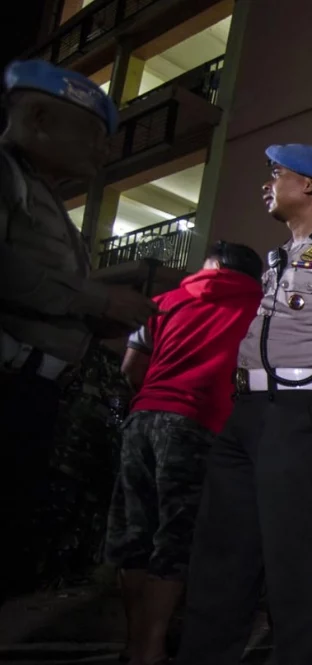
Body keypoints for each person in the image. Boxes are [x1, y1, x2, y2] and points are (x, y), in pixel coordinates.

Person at [176, 144, 312, 665]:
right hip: (250, 414)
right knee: (222, 554)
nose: (267, 183)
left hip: (303, 414)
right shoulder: (276, 259)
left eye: (277, 173)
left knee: (295, 562)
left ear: (309, 186)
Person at [0, 60, 158, 603]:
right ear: (39, 117)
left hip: (35, 387)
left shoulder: (42, 195)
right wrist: (97, 297)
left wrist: (97, 318)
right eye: (95, 136)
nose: (104, 152)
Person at [105, 242, 262, 665]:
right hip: (199, 423)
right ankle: (152, 648)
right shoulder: (259, 305)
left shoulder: (161, 303)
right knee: (175, 539)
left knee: (135, 533)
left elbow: (130, 369)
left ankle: (133, 643)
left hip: (142, 418)